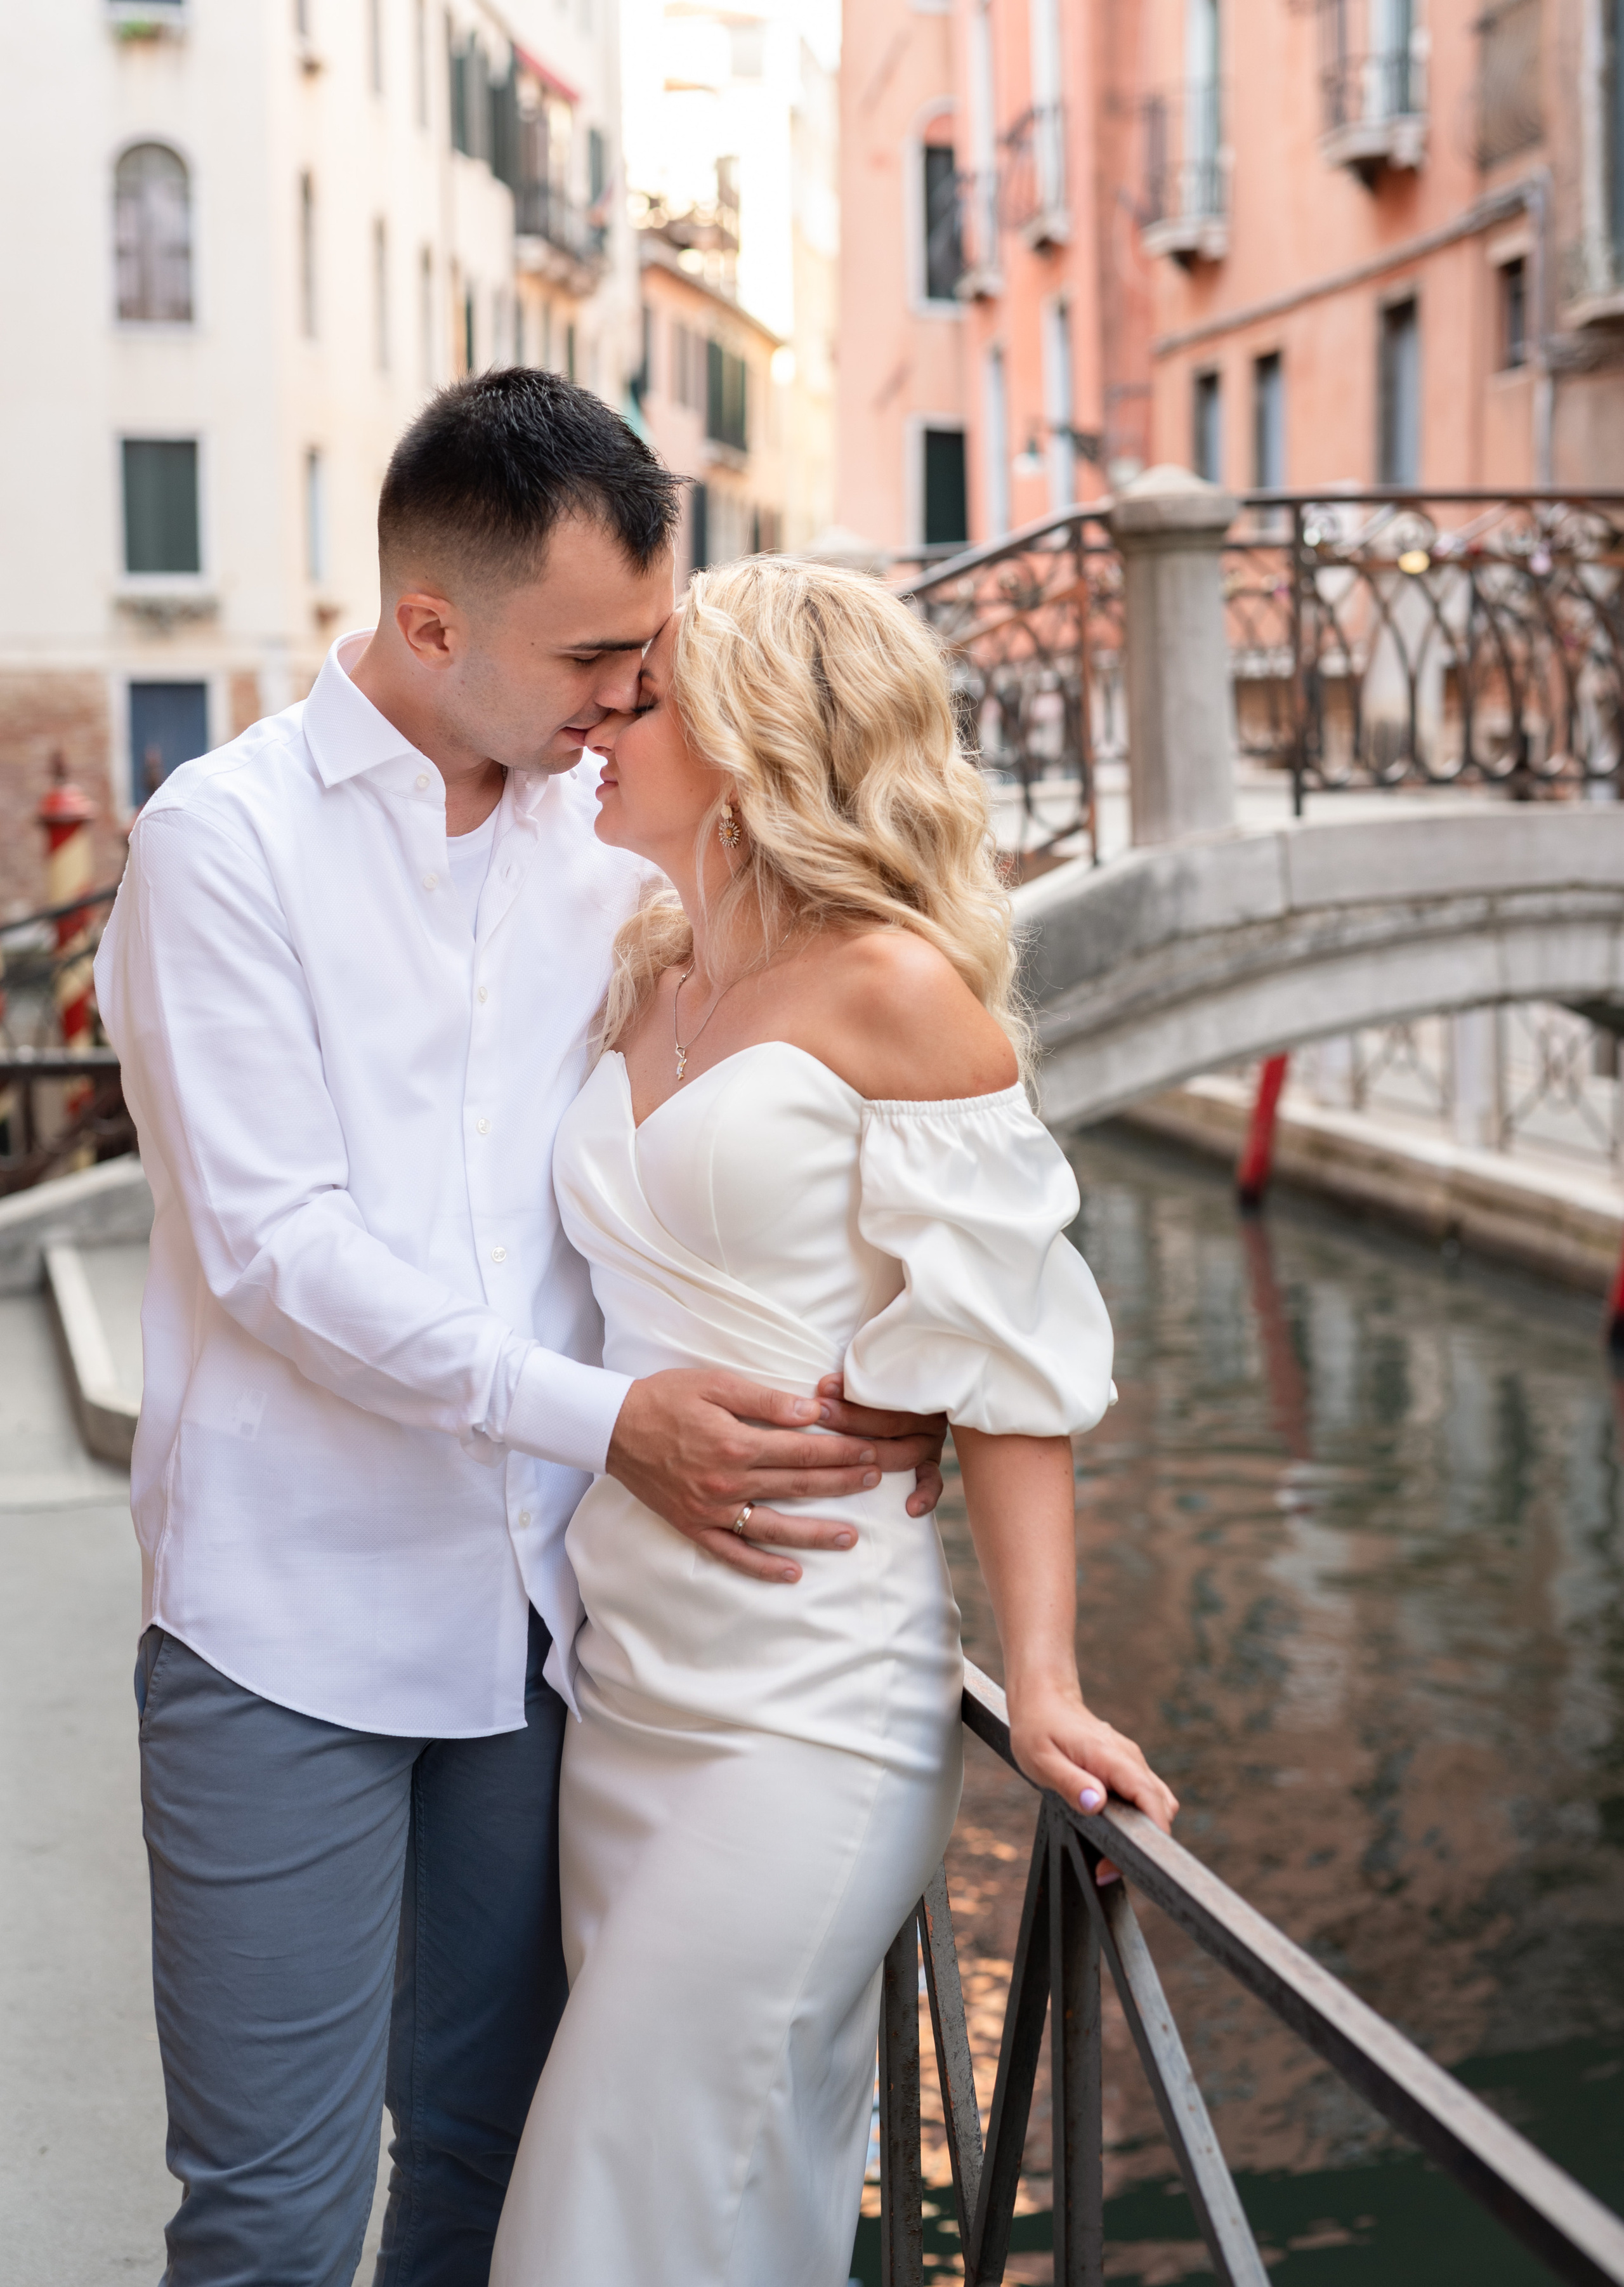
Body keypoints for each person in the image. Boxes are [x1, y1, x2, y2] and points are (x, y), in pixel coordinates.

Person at [93, 372, 946, 2287]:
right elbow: (277, 1254)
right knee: (274, 2224)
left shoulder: (616, 838)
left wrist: (926, 1368)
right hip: (281, 1631)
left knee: (486, 2173)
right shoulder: (218, 845)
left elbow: (813, 1062)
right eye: (598, 658)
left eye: (649, 654)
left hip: (554, 1644)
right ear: (428, 627)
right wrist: (614, 1416)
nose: (631, 702)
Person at [490, 559, 1178, 2286]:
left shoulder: (897, 990)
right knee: (730, 2205)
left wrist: (1045, 1683)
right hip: (626, 1688)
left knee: (609, 2212)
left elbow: (1012, 1376)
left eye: (639, 699)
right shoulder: (643, 972)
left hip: (806, 1709)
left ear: (750, 742)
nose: (598, 723)